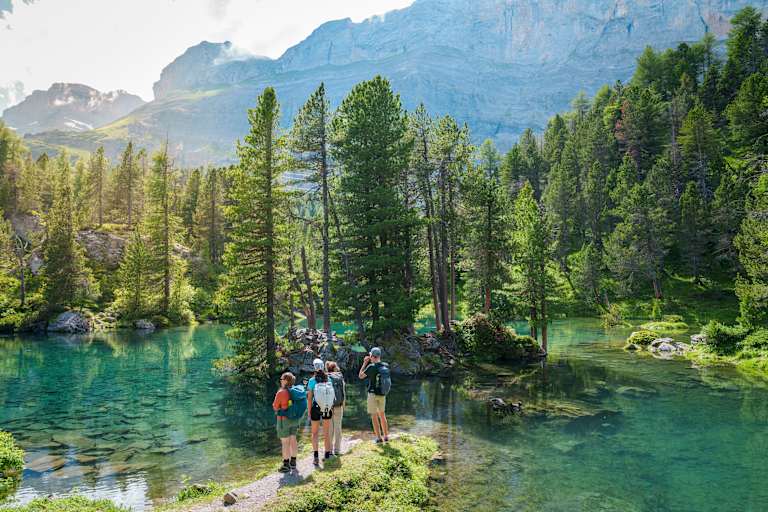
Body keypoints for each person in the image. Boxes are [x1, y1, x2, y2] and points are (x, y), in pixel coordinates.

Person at [272, 372, 304, 473]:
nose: (280, 381)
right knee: (293, 439)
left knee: (285, 442)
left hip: (283, 420)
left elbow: (275, 407)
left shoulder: (281, 392)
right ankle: (293, 462)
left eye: (281, 379)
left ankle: (286, 465)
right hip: (295, 419)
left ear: (286, 381)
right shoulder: (296, 391)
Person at [358, 347, 390, 443]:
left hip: (372, 394)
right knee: (382, 415)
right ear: (379, 356)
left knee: (374, 416)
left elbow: (360, 376)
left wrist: (364, 363)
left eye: (370, 355)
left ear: (372, 356)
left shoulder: (371, 367)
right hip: (383, 393)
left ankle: (379, 438)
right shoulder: (386, 365)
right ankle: (386, 436)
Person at [307, 358, 333, 465]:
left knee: (314, 433)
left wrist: (309, 411)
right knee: (326, 432)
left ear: (314, 368)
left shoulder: (312, 381)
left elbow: (309, 398)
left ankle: (316, 457)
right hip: (327, 408)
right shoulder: (329, 379)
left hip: (316, 408)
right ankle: (327, 454)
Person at [325, 361, 346, 455]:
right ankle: (337, 450)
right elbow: (343, 393)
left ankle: (329, 450)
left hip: (328, 406)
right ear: (334, 368)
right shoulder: (340, 377)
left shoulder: (325, 378)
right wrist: (343, 405)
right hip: (338, 405)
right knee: (338, 428)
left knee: (329, 428)